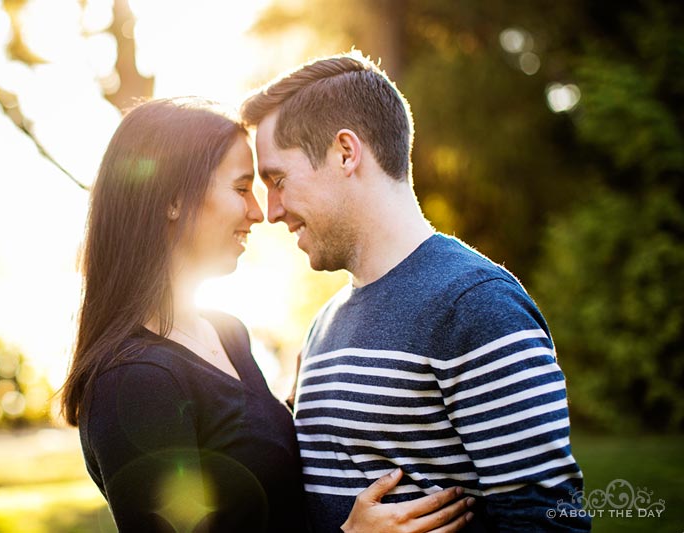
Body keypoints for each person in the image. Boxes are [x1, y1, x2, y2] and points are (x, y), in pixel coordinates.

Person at [60, 97, 475, 532]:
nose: (259, 213)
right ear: (172, 200)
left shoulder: (228, 334)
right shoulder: (135, 381)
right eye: (241, 189)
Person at [241, 51, 591, 532]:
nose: (272, 211)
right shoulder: (324, 324)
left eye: (277, 180)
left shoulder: (475, 306)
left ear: (345, 152)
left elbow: (551, 522)